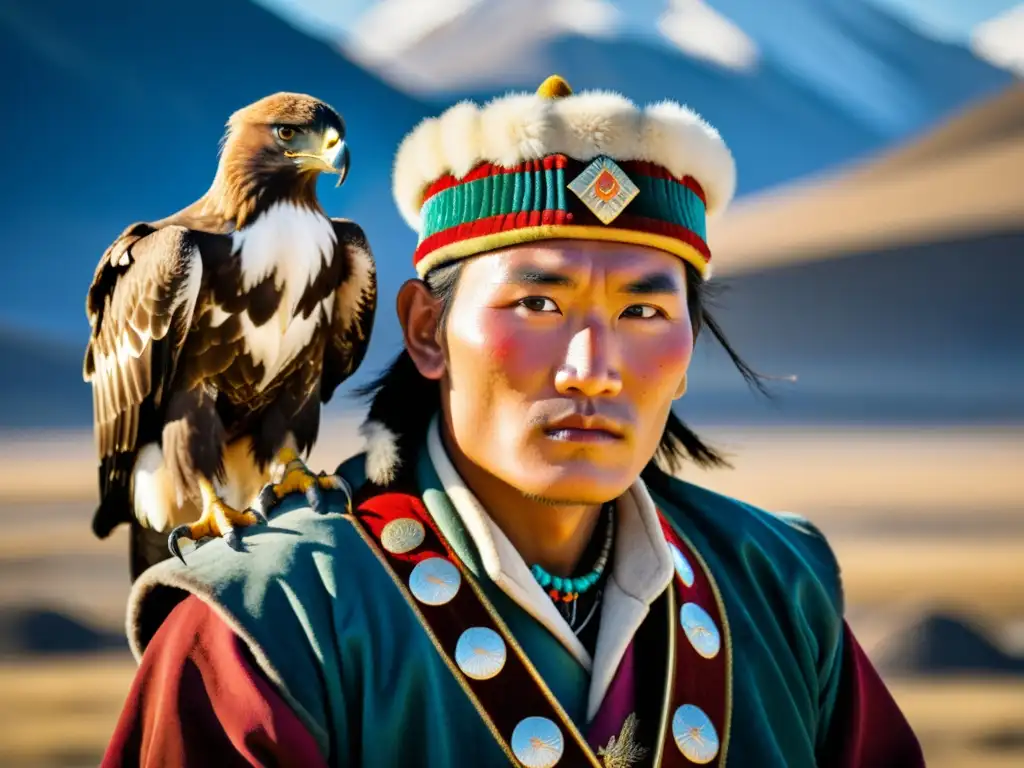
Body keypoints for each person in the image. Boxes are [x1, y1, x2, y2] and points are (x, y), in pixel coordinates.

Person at [102, 76, 924, 767]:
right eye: (537, 303)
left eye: (642, 310)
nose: (591, 366)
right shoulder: (266, 626)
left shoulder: (778, 587)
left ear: (687, 349)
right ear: (425, 330)